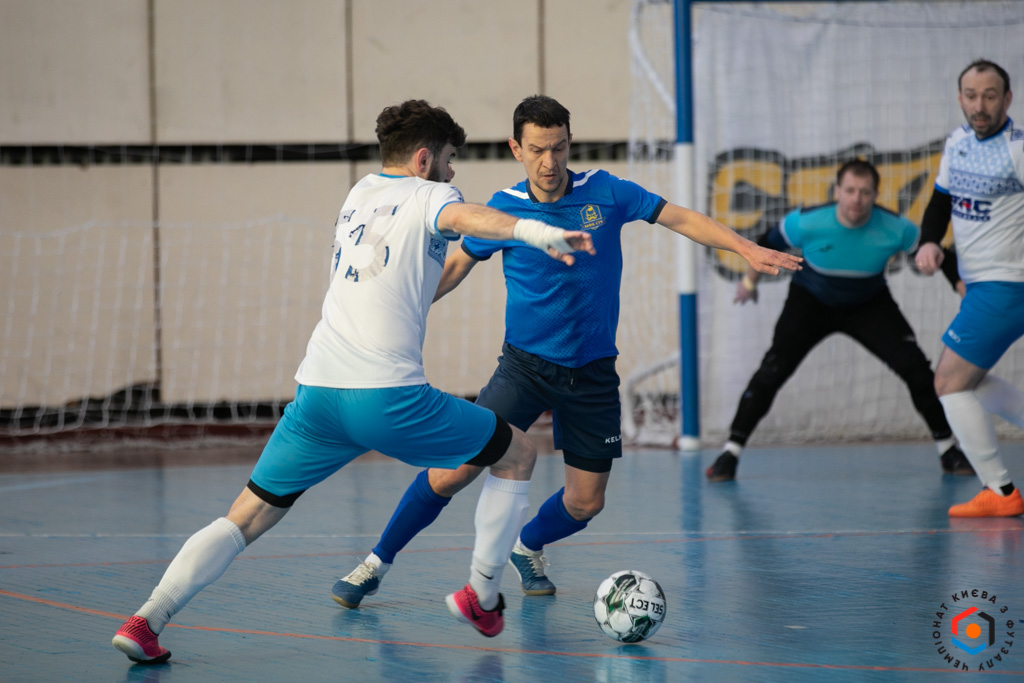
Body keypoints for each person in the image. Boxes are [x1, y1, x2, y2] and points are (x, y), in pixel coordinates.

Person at [110, 99, 596, 663]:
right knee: (518, 453)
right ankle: (482, 595)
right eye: (448, 160)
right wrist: (534, 230)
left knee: (246, 515)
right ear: (423, 160)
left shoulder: (358, 193)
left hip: (317, 393)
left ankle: (146, 619)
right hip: (386, 395)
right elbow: (466, 219)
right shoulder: (432, 194)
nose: (452, 171)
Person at [330, 94, 802, 608]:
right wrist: (390, 307)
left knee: (585, 502)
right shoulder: (504, 207)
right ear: (516, 149)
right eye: (536, 150)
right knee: (455, 471)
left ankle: (527, 545)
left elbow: (679, 218)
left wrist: (747, 248)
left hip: (593, 373)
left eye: (557, 148)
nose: (548, 162)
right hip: (524, 370)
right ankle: (375, 562)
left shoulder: (607, 191)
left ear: (570, 143)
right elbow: (456, 266)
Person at [705, 159, 975, 483]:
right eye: (849, 191)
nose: (856, 199)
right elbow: (764, 244)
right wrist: (749, 283)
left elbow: (938, 254)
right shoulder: (806, 222)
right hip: (810, 302)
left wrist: (964, 291)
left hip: (869, 304)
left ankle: (948, 450)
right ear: (837, 192)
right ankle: (730, 453)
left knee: (916, 369)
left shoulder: (896, 228)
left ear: (875, 195)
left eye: (864, 192)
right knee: (772, 370)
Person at [915, 59, 1024, 518]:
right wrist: (928, 243)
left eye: (990, 96)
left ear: (1007, 99)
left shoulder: (1019, 149)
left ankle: (1000, 492)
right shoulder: (957, 142)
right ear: (960, 98)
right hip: (981, 286)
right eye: (972, 95)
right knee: (969, 385)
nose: (980, 105)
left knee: (948, 382)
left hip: (1007, 285)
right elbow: (940, 203)